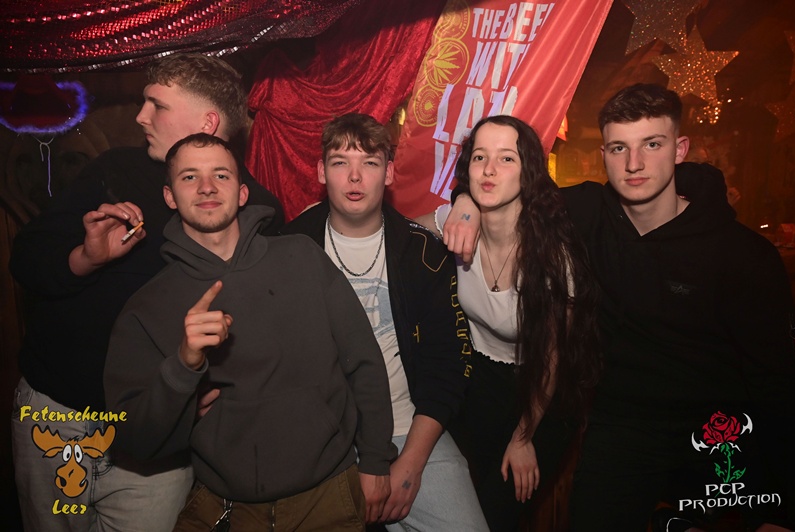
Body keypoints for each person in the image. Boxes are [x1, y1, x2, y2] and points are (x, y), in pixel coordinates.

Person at [442, 85, 795, 531]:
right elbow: (505, 187)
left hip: (718, 429)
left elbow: (777, 382)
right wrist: (464, 203)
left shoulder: (743, 256)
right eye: (618, 148)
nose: (634, 163)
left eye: (652, 144)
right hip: (621, 426)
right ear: (604, 154)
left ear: (680, 149)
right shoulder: (584, 211)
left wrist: (784, 506)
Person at [10, 53, 284, 531]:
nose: (141, 116)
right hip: (59, 417)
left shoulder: (255, 209)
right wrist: (85, 258)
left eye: (157, 104)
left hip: (159, 444)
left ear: (208, 122)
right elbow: (27, 259)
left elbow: (259, 322)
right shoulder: (115, 170)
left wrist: (216, 389)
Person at [104, 133, 396, 530]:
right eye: (189, 177)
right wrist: (183, 367)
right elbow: (132, 438)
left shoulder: (301, 257)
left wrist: (376, 461)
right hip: (227, 507)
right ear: (170, 196)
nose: (207, 187)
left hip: (328, 495)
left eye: (220, 175)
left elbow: (363, 362)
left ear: (242, 193)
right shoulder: (148, 307)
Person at [282, 113, 489, 531]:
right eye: (340, 162)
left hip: (405, 430)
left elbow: (448, 366)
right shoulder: (286, 249)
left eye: (370, 163)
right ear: (321, 172)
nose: (355, 176)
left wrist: (411, 463)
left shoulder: (423, 254)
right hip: (316, 437)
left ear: (389, 173)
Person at [415, 115, 599, 531]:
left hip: (541, 395)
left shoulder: (553, 255)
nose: (489, 170)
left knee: (497, 514)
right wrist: (462, 202)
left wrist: (523, 438)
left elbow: (552, 358)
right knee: (457, 509)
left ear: (528, 170)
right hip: (477, 381)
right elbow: (396, 234)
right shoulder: (456, 223)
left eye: (506, 158)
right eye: (480, 157)